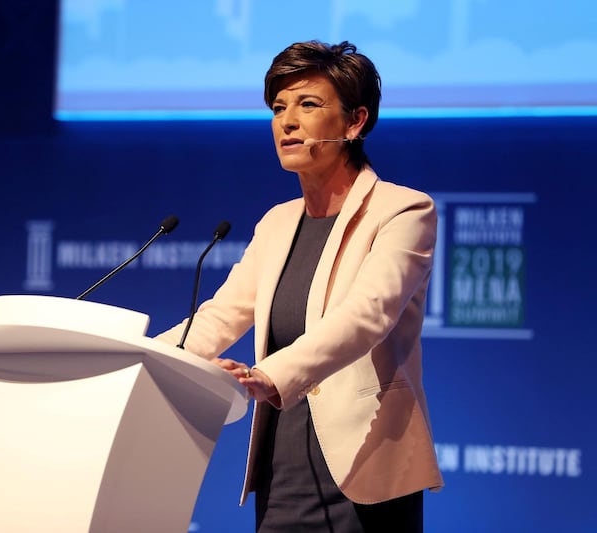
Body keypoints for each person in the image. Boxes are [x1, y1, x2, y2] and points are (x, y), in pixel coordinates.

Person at [156, 40, 443, 532]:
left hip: (365, 472)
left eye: (308, 105)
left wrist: (267, 375)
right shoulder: (278, 222)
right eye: (278, 108)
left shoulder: (402, 211)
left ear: (355, 122)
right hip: (283, 467)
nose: (287, 121)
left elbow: (365, 316)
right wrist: (142, 359)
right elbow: (221, 316)